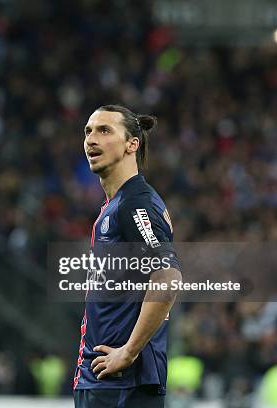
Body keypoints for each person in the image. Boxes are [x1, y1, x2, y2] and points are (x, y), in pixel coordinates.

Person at [73, 105, 182, 408]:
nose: (91, 139)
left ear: (132, 144)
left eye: (104, 130)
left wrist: (128, 351)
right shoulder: (115, 206)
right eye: (88, 131)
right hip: (103, 378)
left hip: (124, 382)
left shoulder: (135, 204)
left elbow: (167, 277)